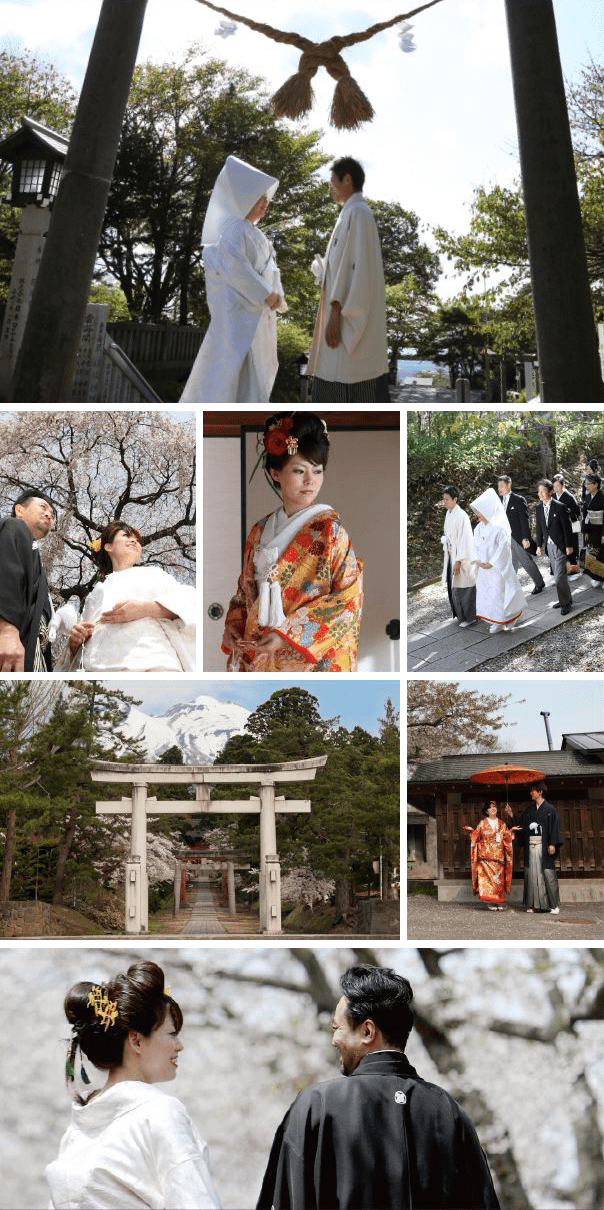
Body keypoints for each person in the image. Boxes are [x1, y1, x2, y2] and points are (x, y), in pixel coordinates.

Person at [257, 964, 500, 1210]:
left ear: (367, 1031)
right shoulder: (448, 1111)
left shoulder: (317, 1104)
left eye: (336, 1028)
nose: (333, 1040)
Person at [45, 960, 221, 1209]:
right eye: (172, 1034)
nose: (179, 1046)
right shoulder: (159, 1113)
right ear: (137, 1041)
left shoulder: (76, 1133)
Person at [221, 412, 362, 671]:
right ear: (276, 473)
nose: (311, 481)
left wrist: (288, 634)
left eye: (317, 471)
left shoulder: (331, 532)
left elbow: (348, 600)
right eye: (299, 471)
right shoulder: (259, 531)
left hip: (307, 659)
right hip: (261, 652)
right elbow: (244, 593)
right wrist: (233, 625)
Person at [181, 155, 287, 404]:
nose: (265, 204)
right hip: (238, 314)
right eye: (259, 198)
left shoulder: (257, 235)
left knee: (254, 373)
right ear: (243, 198)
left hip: (259, 314)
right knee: (228, 373)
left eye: (266, 199)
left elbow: (273, 270)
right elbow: (235, 267)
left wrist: (276, 295)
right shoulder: (231, 228)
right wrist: (265, 293)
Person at [63, 521, 196, 671]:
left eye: (137, 540)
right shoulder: (95, 594)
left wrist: (147, 609)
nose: (134, 541)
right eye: (126, 535)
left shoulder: (154, 574)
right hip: (98, 669)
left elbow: (191, 602)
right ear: (108, 546)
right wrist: (76, 643)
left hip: (152, 661)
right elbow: (79, 651)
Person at [308, 157, 389, 403]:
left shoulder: (358, 213)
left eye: (333, 181)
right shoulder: (350, 213)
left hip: (344, 315)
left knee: (349, 389)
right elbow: (344, 265)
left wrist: (336, 311)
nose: (330, 188)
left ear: (347, 179)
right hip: (340, 310)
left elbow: (358, 270)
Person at [0, 488, 56, 671]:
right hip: (10, 644)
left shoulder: (33, 556)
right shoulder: (13, 527)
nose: (49, 514)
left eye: (53, 514)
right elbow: (6, 575)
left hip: (31, 652)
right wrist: (7, 630)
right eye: (43, 507)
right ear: (19, 510)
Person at [469, 488, 525, 633]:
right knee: (488, 595)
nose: (478, 517)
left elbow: (503, 548)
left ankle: (506, 618)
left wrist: (492, 562)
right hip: (483, 568)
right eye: (477, 514)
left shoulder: (498, 528)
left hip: (497, 567)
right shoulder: (478, 528)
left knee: (500, 593)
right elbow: (474, 546)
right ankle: (497, 620)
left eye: (480, 513)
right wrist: (477, 560)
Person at [510, 782, 563, 914]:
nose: (530, 793)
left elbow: (554, 828)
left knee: (547, 874)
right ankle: (533, 905)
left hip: (544, 846)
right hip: (531, 847)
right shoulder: (529, 810)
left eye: (532, 791)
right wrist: (511, 815)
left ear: (540, 792)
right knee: (532, 875)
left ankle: (553, 905)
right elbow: (521, 825)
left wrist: (552, 844)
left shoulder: (550, 809)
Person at [463, 800, 515, 912]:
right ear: (486, 811)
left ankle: (499, 901)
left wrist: (511, 832)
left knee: (498, 881)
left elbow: (507, 837)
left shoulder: (502, 824)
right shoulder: (482, 823)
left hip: (498, 857)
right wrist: (472, 831)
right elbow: (476, 835)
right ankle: (490, 903)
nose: (493, 809)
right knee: (487, 882)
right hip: (485, 858)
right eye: (490, 808)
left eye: (494, 807)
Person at [496, 474, 545, 594]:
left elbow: (525, 520)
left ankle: (539, 583)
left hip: (517, 538)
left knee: (526, 562)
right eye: (498, 486)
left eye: (501, 486)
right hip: (505, 538)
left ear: (508, 485)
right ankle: (511, 589)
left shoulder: (518, 500)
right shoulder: (498, 501)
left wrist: (525, 537)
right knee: (510, 564)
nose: (499, 489)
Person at [535, 479, 574, 615]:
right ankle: (566, 598)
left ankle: (566, 603)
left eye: (543, 491)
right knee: (559, 575)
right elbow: (540, 528)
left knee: (558, 576)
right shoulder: (539, 508)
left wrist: (569, 545)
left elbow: (567, 528)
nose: (540, 494)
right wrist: (539, 545)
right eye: (539, 491)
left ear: (550, 492)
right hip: (549, 546)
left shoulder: (559, 506)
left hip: (561, 545)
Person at [440, 485, 476, 626]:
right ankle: (459, 615)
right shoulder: (449, 514)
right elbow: (449, 535)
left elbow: (466, 540)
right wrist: (445, 540)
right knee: (453, 586)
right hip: (450, 555)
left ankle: (469, 617)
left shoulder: (462, 516)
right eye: (444, 499)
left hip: (460, 558)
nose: (445, 502)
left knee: (464, 587)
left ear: (455, 499)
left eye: (447, 499)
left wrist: (459, 561)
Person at [552, 473, 581, 579]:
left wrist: (568, 513)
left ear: (563, 485)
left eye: (558, 486)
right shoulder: (553, 496)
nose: (556, 489)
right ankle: (563, 570)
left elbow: (577, 512)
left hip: (571, 525)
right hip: (559, 527)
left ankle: (574, 571)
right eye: (554, 486)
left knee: (572, 546)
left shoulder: (569, 497)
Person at [581, 472, 604, 588]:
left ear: (596, 484)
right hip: (591, 529)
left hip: (601, 529)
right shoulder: (588, 496)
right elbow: (585, 514)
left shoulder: (602, 496)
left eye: (589, 483)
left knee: (602, 553)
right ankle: (596, 576)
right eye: (585, 483)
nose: (586, 485)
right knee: (593, 552)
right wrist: (585, 531)